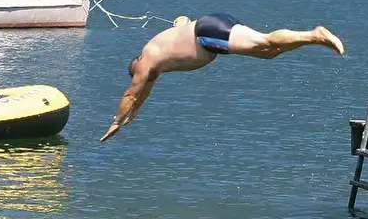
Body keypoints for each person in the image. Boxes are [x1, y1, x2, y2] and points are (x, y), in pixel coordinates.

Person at [100, 14, 345, 141]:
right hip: (210, 35)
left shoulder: (147, 59)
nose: (146, 78)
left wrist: (116, 122)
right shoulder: (155, 65)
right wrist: (134, 114)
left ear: (136, 64)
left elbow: (132, 93)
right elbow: (142, 94)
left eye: (140, 75)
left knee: (265, 42)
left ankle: (315, 35)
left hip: (207, 32)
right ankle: (313, 40)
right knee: (270, 53)